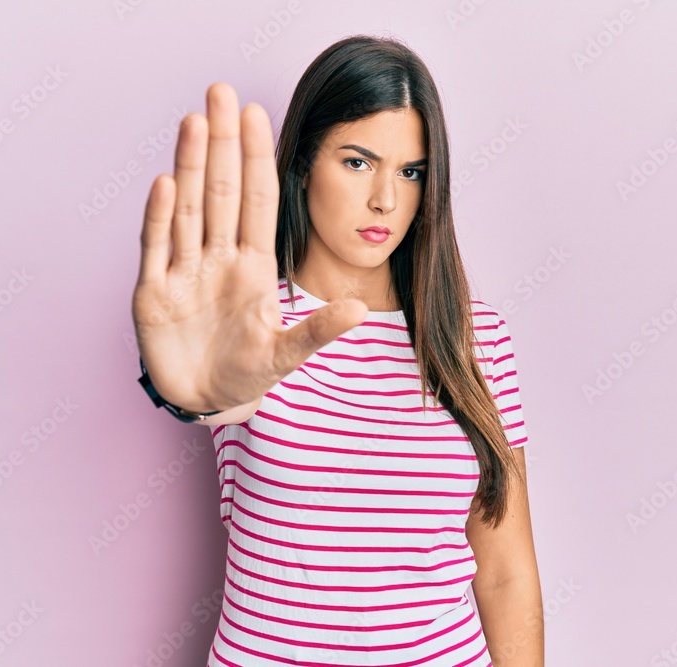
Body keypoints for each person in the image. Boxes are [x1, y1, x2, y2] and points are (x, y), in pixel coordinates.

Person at [131, 35, 543, 666]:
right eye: (357, 161)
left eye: (411, 172)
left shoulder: (475, 337)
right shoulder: (248, 327)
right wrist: (182, 393)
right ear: (301, 163)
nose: (386, 198)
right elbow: (208, 395)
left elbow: (507, 572)